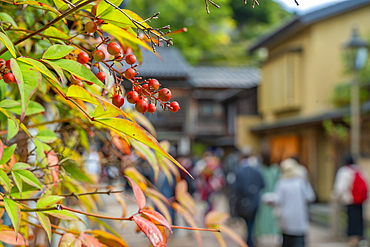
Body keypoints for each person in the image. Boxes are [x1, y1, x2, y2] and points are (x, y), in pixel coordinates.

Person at [275, 158, 315, 247]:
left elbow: (278, 200)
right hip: (299, 217)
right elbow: (310, 197)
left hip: (286, 217)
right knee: (299, 241)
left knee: (287, 241)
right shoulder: (301, 183)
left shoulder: (282, 183)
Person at [333, 155, 369, 247]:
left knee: (351, 219)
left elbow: (339, 188)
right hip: (360, 200)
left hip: (349, 199)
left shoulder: (344, 171)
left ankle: (353, 240)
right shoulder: (359, 169)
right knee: (359, 219)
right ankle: (360, 237)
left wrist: (338, 197)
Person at [234, 149, 265, 247]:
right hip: (254, 201)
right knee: (251, 223)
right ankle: (249, 241)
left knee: (248, 224)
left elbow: (236, 188)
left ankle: (248, 242)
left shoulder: (240, 171)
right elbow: (263, 185)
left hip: (243, 202)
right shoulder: (257, 170)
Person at [255, 153, 280, 238]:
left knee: (262, 216)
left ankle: (261, 233)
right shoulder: (274, 170)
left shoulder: (260, 169)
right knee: (272, 216)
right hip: (272, 195)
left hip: (263, 195)